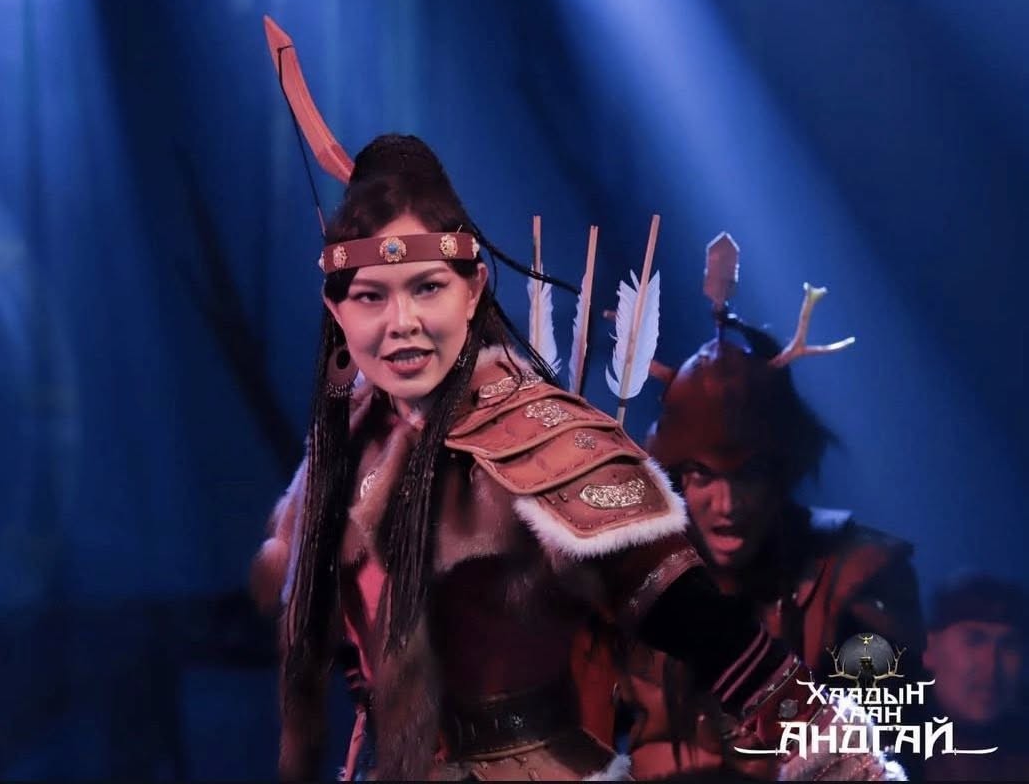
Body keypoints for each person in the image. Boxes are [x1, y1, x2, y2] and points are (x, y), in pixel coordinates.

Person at [249, 134, 904, 781]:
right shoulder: (342, 457)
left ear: (472, 292)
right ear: (336, 308)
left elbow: (710, 630)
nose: (402, 322)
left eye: (427, 288)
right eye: (371, 296)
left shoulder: (551, 442)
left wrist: (834, 756)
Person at [616, 234, 925, 779]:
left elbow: (879, 749)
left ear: (780, 473)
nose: (727, 504)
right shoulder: (635, 575)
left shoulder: (857, 576)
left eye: (749, 475)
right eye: (703, 475)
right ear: (675, 476)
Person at [922, 573, 1029, 781]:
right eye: (974, 640)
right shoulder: (879, 748)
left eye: (1009, 645)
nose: (991, 665)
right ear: (929, 649)